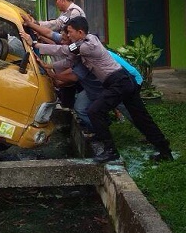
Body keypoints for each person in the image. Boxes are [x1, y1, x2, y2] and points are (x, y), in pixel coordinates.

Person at [24, 16, 172, 164]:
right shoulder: (81, 45)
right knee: (140, 117)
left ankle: (111, 151)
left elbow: (63, 50)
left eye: (69, 32)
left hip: (119, 82)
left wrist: (35, 44)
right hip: (122, 82)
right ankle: (165, 149)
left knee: (95, 111)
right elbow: (69, 60)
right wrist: (47, 65)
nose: (67, 35)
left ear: (80, 32)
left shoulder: (88, 44)